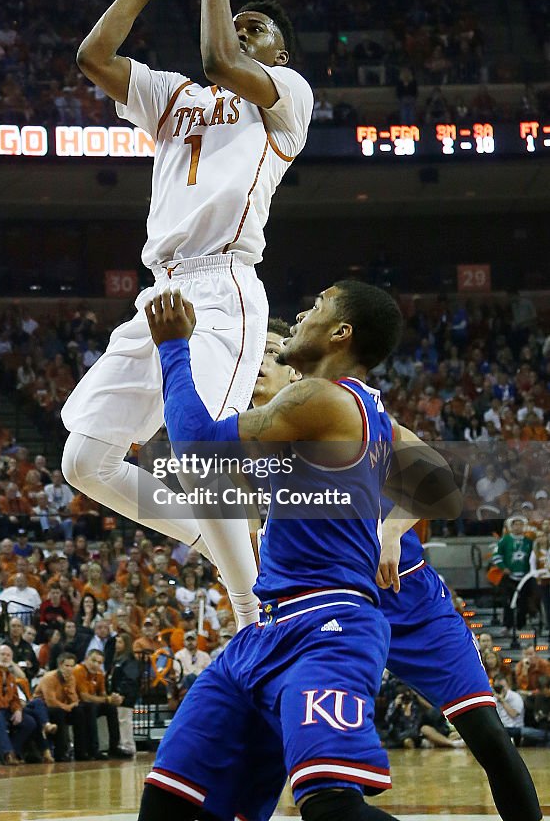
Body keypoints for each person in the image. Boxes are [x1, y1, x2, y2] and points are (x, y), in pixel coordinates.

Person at [61, 0, 314, 631]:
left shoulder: (286, 98)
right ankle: (220, 541)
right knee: (84, 460)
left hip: (222, 287)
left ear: (280, 54)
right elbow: (93, 58)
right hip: (161, 290)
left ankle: (255, 621)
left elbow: (218, 59)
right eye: (237, 20)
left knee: (202, 453)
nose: (240, 30)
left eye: (255, 29)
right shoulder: (175, 99)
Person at [139, 280, 460, 821]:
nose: (302, 312)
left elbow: (194, 443)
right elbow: (441, 483)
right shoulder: (362, 418)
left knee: (330, 807)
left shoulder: (321, 398)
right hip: (265, 633)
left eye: (316, 307)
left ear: (340, 332)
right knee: (168, 802)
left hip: (328, 627)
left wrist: (174, 345)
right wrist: (388, 530)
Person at [256, 327, 542, 821]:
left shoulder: (353, 415)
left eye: (268, 349)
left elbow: (440, 482)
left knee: (489, 736)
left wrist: (391, 530)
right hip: (329, 611)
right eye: (253, 349)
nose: (259, 358)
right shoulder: (255, 435)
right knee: (315, 775)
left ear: (293, 365)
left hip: (407, 596)